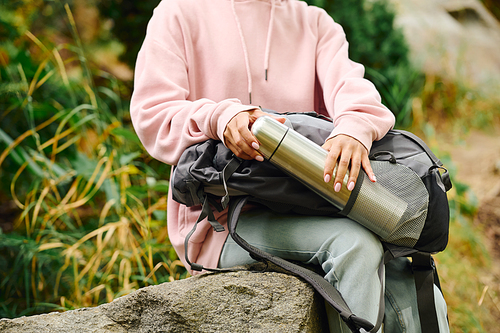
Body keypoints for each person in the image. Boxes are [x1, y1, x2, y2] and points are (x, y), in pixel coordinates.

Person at [130, 0, 450, 331]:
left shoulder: (314, 23)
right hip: (219, 221)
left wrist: (353, 130)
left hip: (310, 204)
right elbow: (152, 113)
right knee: (354, 247)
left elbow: (357, 95)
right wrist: (220, 117)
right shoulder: (180, 11)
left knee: (407, 272)